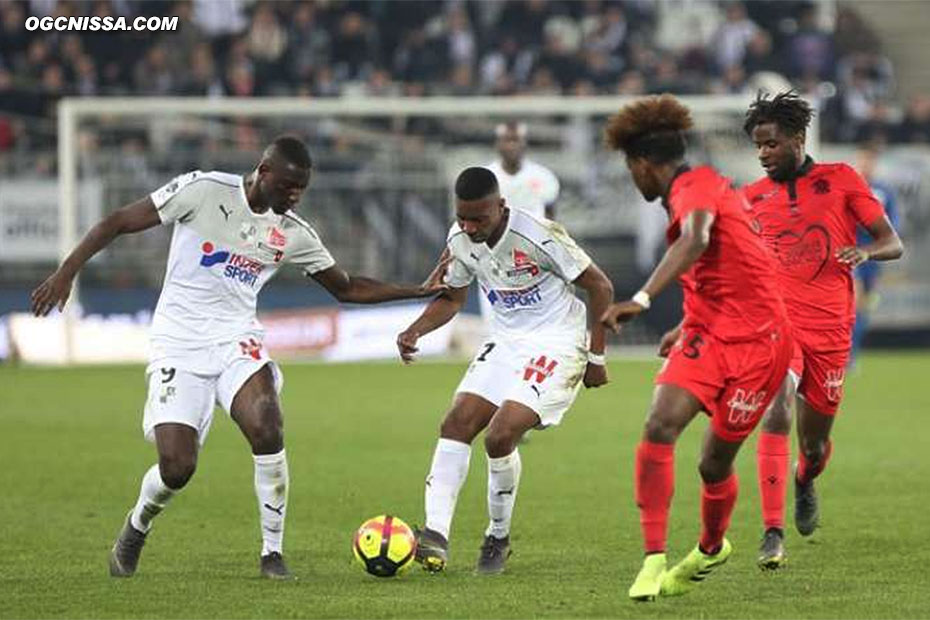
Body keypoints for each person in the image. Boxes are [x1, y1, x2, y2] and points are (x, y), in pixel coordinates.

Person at [30, 136, 447, 580]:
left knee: (267, 423)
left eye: (301, 189)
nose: (294, 196)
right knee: (177, 467)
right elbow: (117, 221)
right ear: (263, 171)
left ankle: (272, 553)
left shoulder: (292, 233)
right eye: (288, 186)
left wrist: (417, 290)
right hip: (179, 342)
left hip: (236, 340)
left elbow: (346, 287)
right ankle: (137, 525)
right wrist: (66, 272)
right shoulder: (204, 190)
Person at [600, 94, 794, 600]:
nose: (633, 179)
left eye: (631, 169)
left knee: (713, 464)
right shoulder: (693, 191)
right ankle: (652, 558)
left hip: (761, 344)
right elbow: (725, 270)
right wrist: (686, 324)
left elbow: (698, 242)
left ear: (643, 165)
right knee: (659, 423)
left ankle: (711, 547)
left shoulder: (697, 186)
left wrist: (640, 299)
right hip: (708, 335)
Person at [396, 167, 613, 575]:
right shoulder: (460, 238)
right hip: (506, 341)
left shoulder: (538, 235)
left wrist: (596, 357)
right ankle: (435, 536)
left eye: (478, 218)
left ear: (501, 206)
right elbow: (452, 298)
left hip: (556, 343)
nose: (469, 226)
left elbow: (600, 286)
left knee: (499, 435)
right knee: (456, 421)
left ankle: (497, 537)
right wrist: (416, 329)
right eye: (462, 217)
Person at [743, 92, 903, 567]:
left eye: (771, 144)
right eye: (758, 147)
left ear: (796, 138)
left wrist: (865, 253)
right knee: (775, 411)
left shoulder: (841, 180)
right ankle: (771, 533)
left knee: (813, 444)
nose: (763, 154)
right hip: (779, 328)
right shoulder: (750, 198)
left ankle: (805, 477)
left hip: (832, 328)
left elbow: (891, 242)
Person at [850, 139, 900, 368]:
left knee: (864, 307)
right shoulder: (850, 189)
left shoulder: (883, 191)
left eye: (869, 160)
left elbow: (893, 223)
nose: (866, 164)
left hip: (874, 256)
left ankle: (854, 353)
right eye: (862, 160)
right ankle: (848, 356)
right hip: (853, 252)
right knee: (855, 302)